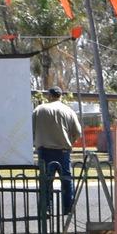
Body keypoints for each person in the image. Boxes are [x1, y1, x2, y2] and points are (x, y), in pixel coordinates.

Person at [32, 86, 83, 223]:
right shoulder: (69, 111)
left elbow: (32, 129)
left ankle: (46, 208)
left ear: (49, 95)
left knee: (46, 181)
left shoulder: (39, 110)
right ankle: (68, 208)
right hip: (63, 151)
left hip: (44, 150)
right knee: (66, 180)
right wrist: (69, 141)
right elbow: (78, 132)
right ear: (61, 96)